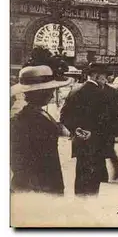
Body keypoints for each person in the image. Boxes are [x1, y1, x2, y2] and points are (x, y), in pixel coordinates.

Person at [11, 64, 72, 195]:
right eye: (49, 91)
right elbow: (19, 162)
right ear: (38, 93)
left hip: (47, 182)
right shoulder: (22, 120)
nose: (51, 95)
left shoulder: (39, 114)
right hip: (37, 187)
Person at [60, 63, 109, 196]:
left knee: (81, 177)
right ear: (96, 76)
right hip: (96, 143)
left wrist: (76, 129)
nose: (106, 80)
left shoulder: (75, 91)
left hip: (80, 143)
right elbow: (106, 122)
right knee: (93, 183)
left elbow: (63, 116)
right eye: (104, 77)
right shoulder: (102, 94)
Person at [101, 81, 118, 181]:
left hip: (108, 126)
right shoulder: (112, 91)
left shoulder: (113, 92)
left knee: (108, 149)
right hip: (104, 126)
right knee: (103, 149)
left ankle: (116, 168)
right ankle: (107, 173)